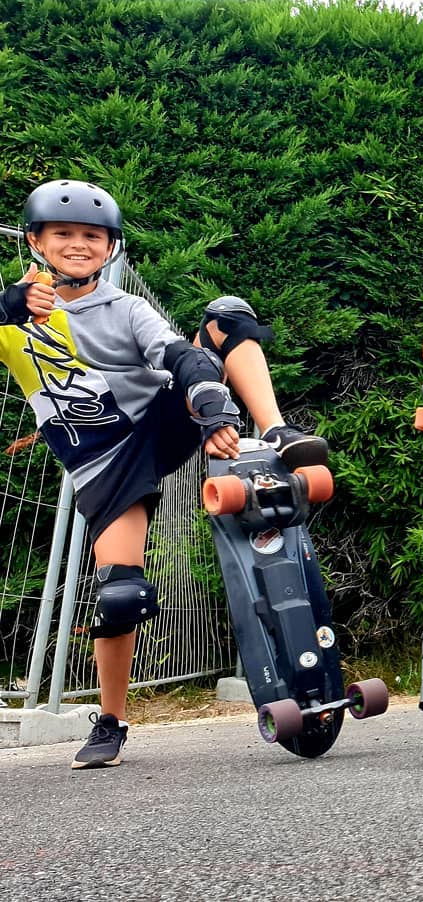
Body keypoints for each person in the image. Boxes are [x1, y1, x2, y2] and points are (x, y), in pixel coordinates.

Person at [0, 179, 327, 768]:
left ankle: (274, 428)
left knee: (226, 321)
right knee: (120, 596)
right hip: (105, 461)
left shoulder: (124, 306)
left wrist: (207, 405)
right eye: (64, 234)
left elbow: (176, 354)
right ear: (36, 241)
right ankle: (112, 719)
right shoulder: (14, 316)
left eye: (92, 236)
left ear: (110, 247)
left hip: (159, 420)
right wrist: (7, 305)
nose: (79, 245)